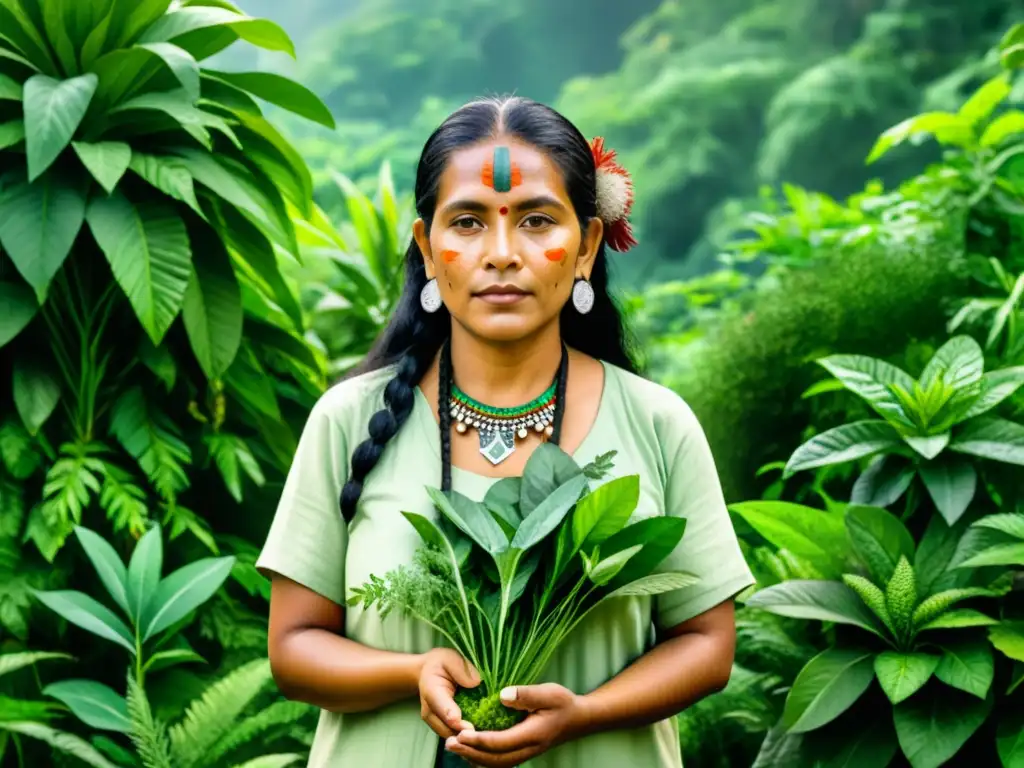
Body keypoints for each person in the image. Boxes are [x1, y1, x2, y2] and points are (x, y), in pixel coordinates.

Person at [256, 95, 755, 768]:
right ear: (428, 250)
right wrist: (412, 673)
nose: (501, 253)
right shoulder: (347, 420)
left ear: (586, 248)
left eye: (535, 220)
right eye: (467, 221)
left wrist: (585, 714)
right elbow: (292, 651)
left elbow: (706, 645)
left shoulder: (658, 424)